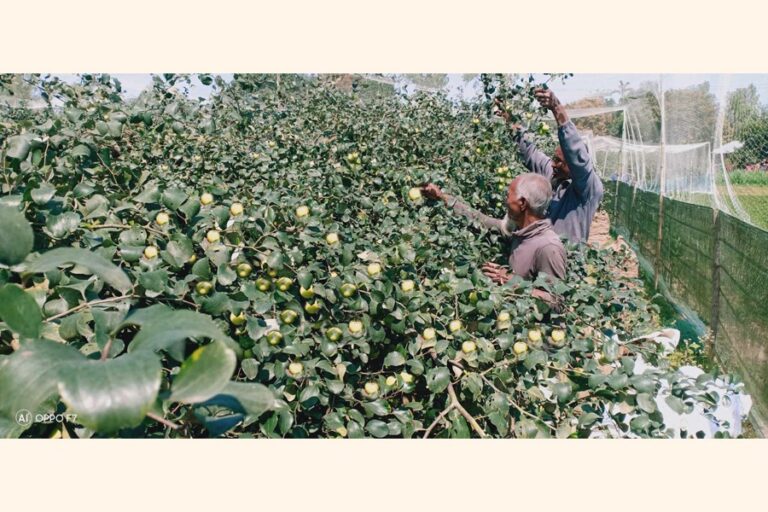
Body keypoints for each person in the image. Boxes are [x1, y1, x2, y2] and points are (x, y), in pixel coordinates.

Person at [421, 173, 566, 304]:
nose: (506, 200)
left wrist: (512, 281)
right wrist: (441, 196)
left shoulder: (547, 247)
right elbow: (481, 220)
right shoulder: (519, 230)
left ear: (522, 203)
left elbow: (556, 301)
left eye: (509, 195)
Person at [496, 88, 603, 244]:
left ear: (573, 165)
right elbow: (530, 152)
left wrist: (556, 108)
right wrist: (509, 119)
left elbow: (577, 155)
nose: (553, 164)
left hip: (565, 262)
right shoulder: (553, 175)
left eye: (559, 161)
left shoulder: (588, 189)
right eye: (554, 158)